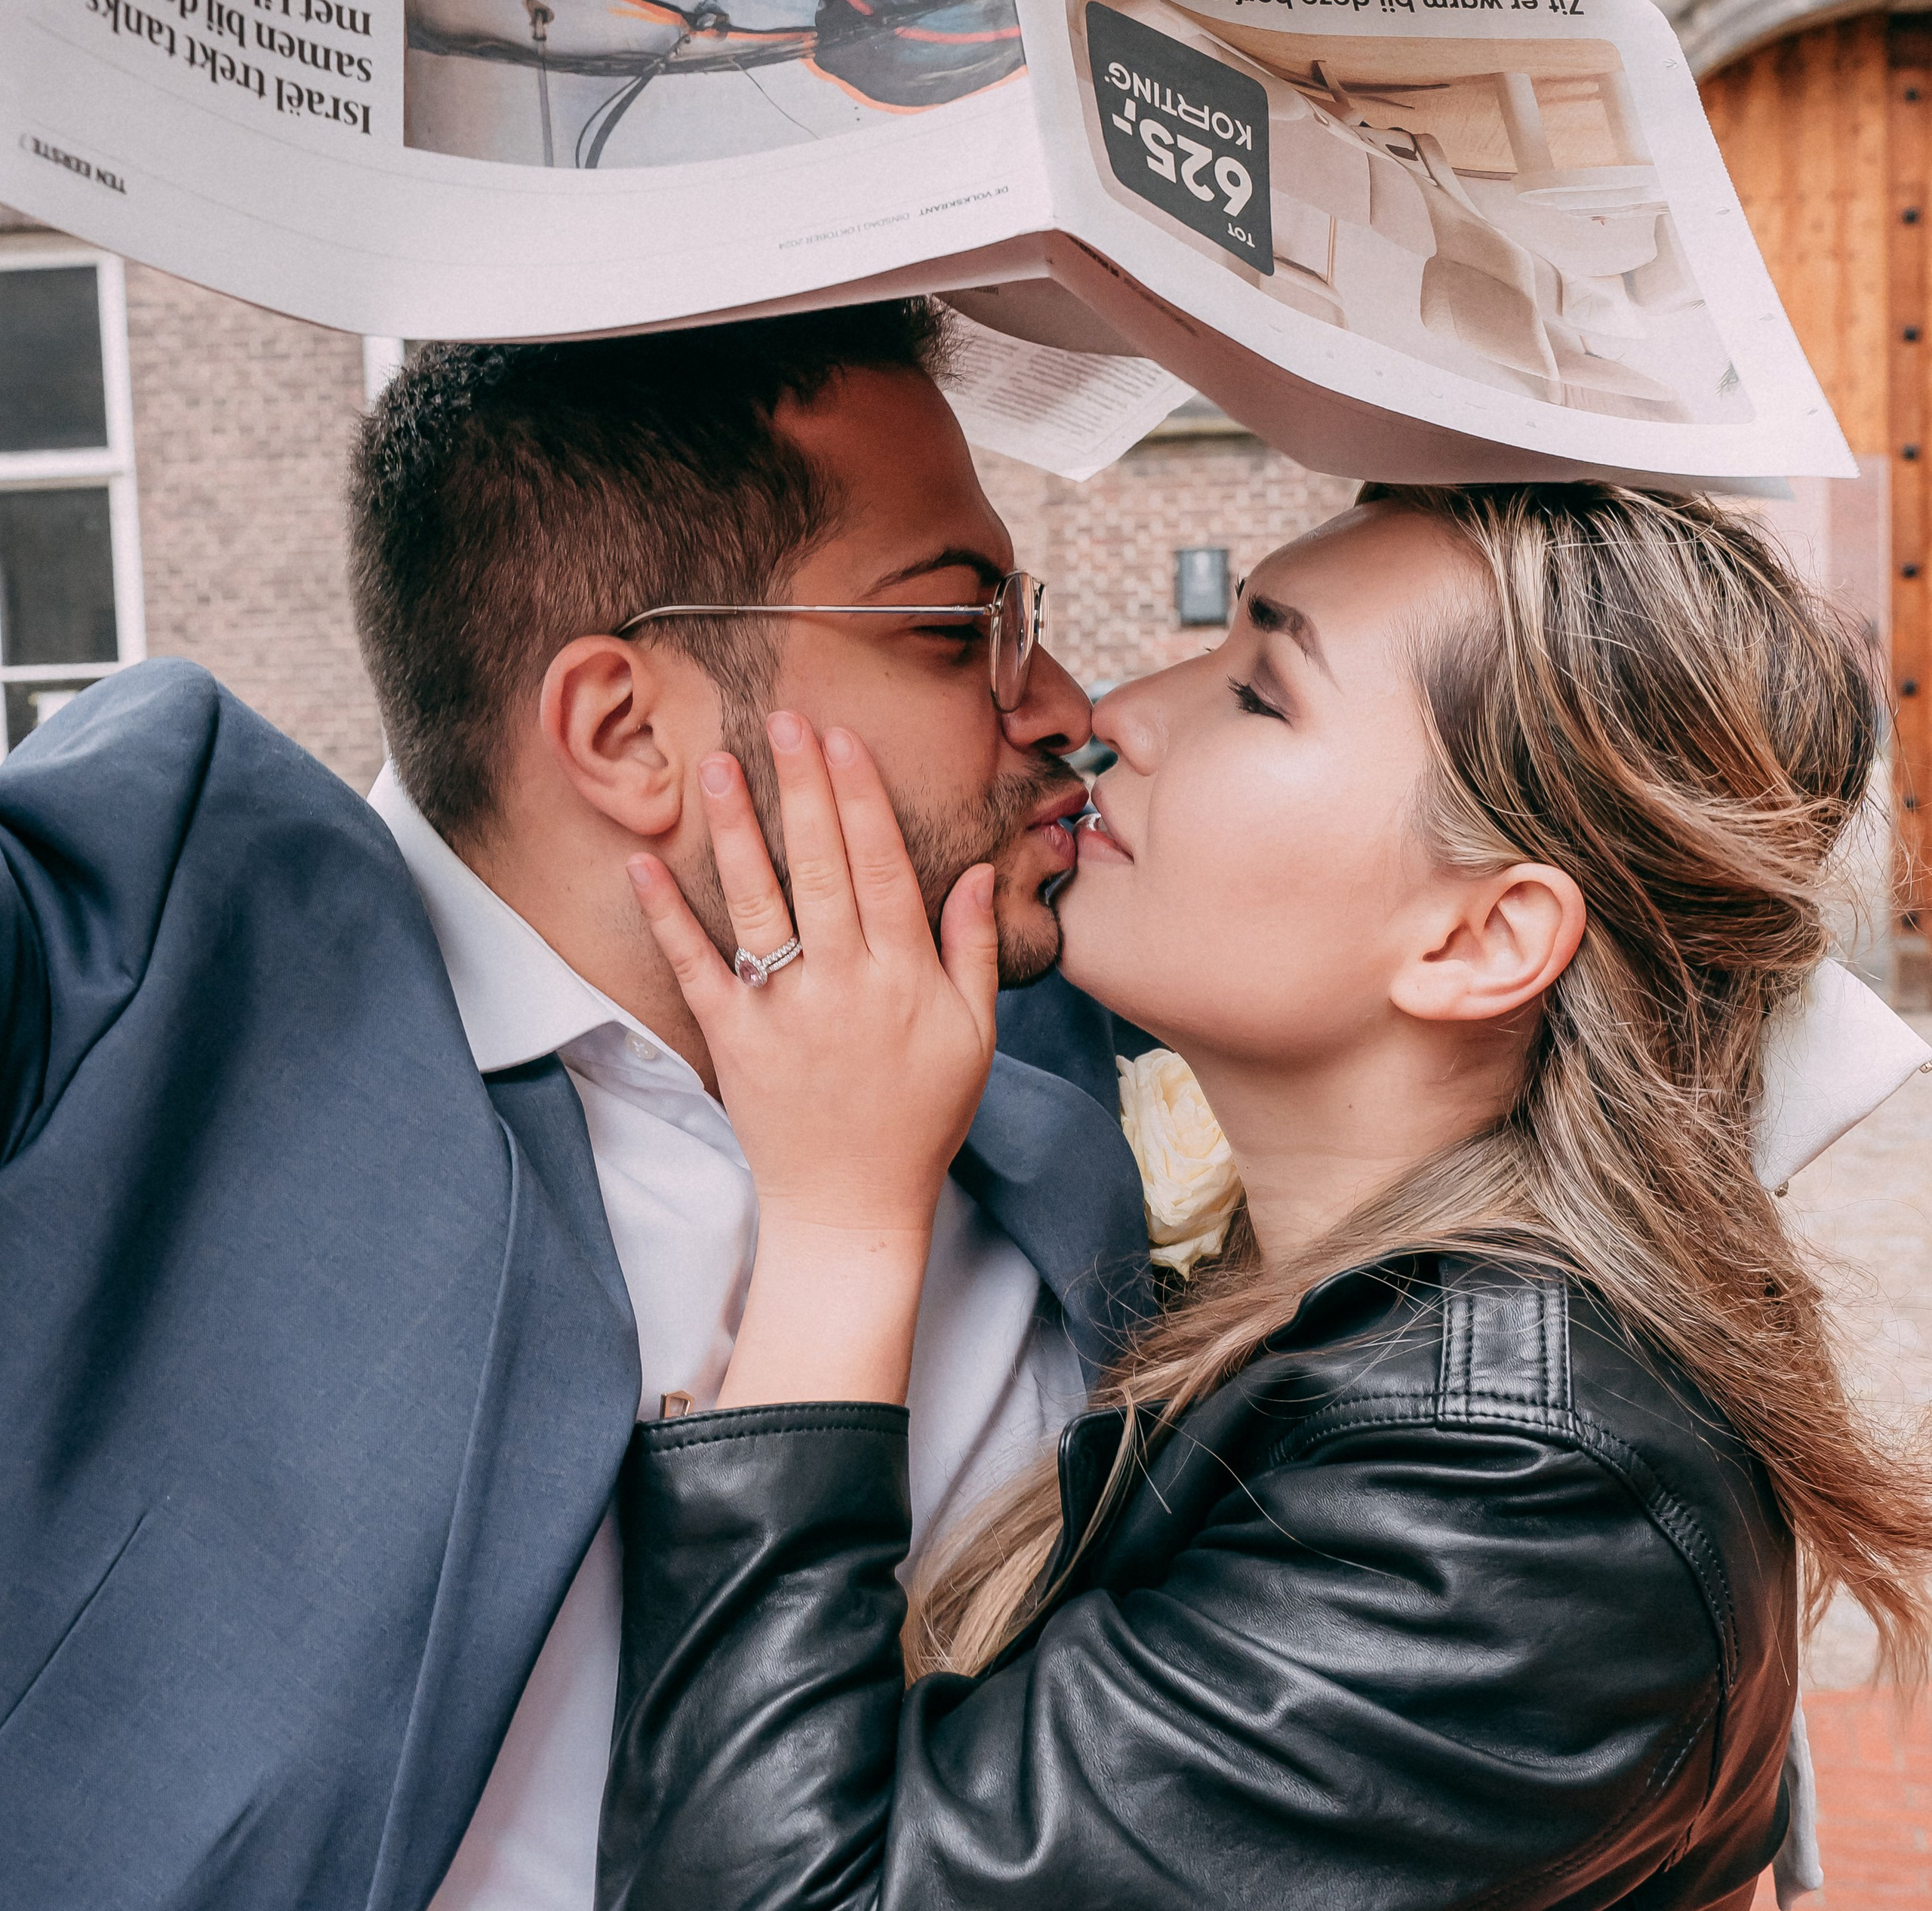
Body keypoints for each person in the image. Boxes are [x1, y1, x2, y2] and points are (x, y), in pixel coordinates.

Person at [601, 482, 1932, 1909]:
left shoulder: (1518, 1499)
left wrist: (843, 1227)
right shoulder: (1353, 1323)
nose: (1121, 712)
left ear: (1484, 934)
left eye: (1258, 692)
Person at [0, 304, 1156, 1911]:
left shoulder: (1041, 1082)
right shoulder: (134, 957)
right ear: (624, 730)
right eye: (957, 631)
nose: (1057, 703)